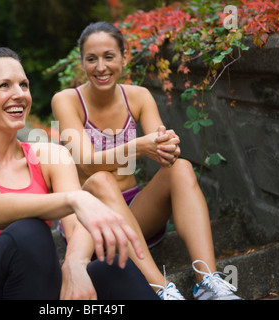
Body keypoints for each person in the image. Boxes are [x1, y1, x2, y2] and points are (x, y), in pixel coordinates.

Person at [0, 47, 158, 300]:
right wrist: (75, 198)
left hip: (46, 295)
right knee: (28, 231)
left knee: (112, 268)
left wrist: (74, 262)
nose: (19, 94)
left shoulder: (50, 156)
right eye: (4, 85)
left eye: (24, 85)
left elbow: (77, 228)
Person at [52, 21, 242, 300]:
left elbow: (161, 147)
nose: (100, 67)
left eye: (109, 56)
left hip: (136, 215)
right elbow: (86, 163)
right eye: (91, 59)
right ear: (82, 63)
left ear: (124, 57)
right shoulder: (67, 100)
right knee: (101, 180)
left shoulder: (139, 97)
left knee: (181, 168)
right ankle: (161, 290)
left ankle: (207, 284)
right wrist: (139, 147)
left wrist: (168, 148)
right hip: (90, 228)